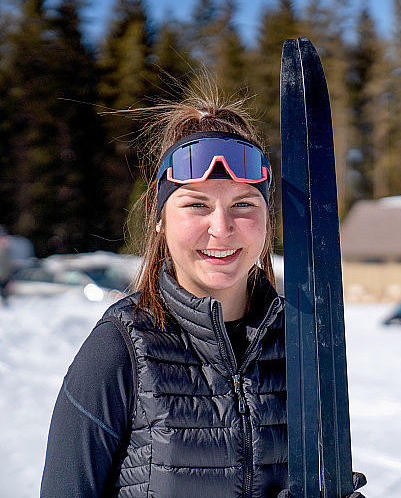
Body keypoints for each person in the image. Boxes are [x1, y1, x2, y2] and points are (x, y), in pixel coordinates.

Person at [41, 83, 366, 497]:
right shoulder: (119, 350)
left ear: (268, 223)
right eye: (196, 204)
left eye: (244, 204)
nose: (221, 228)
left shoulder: (303, 344)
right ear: (160, 220)